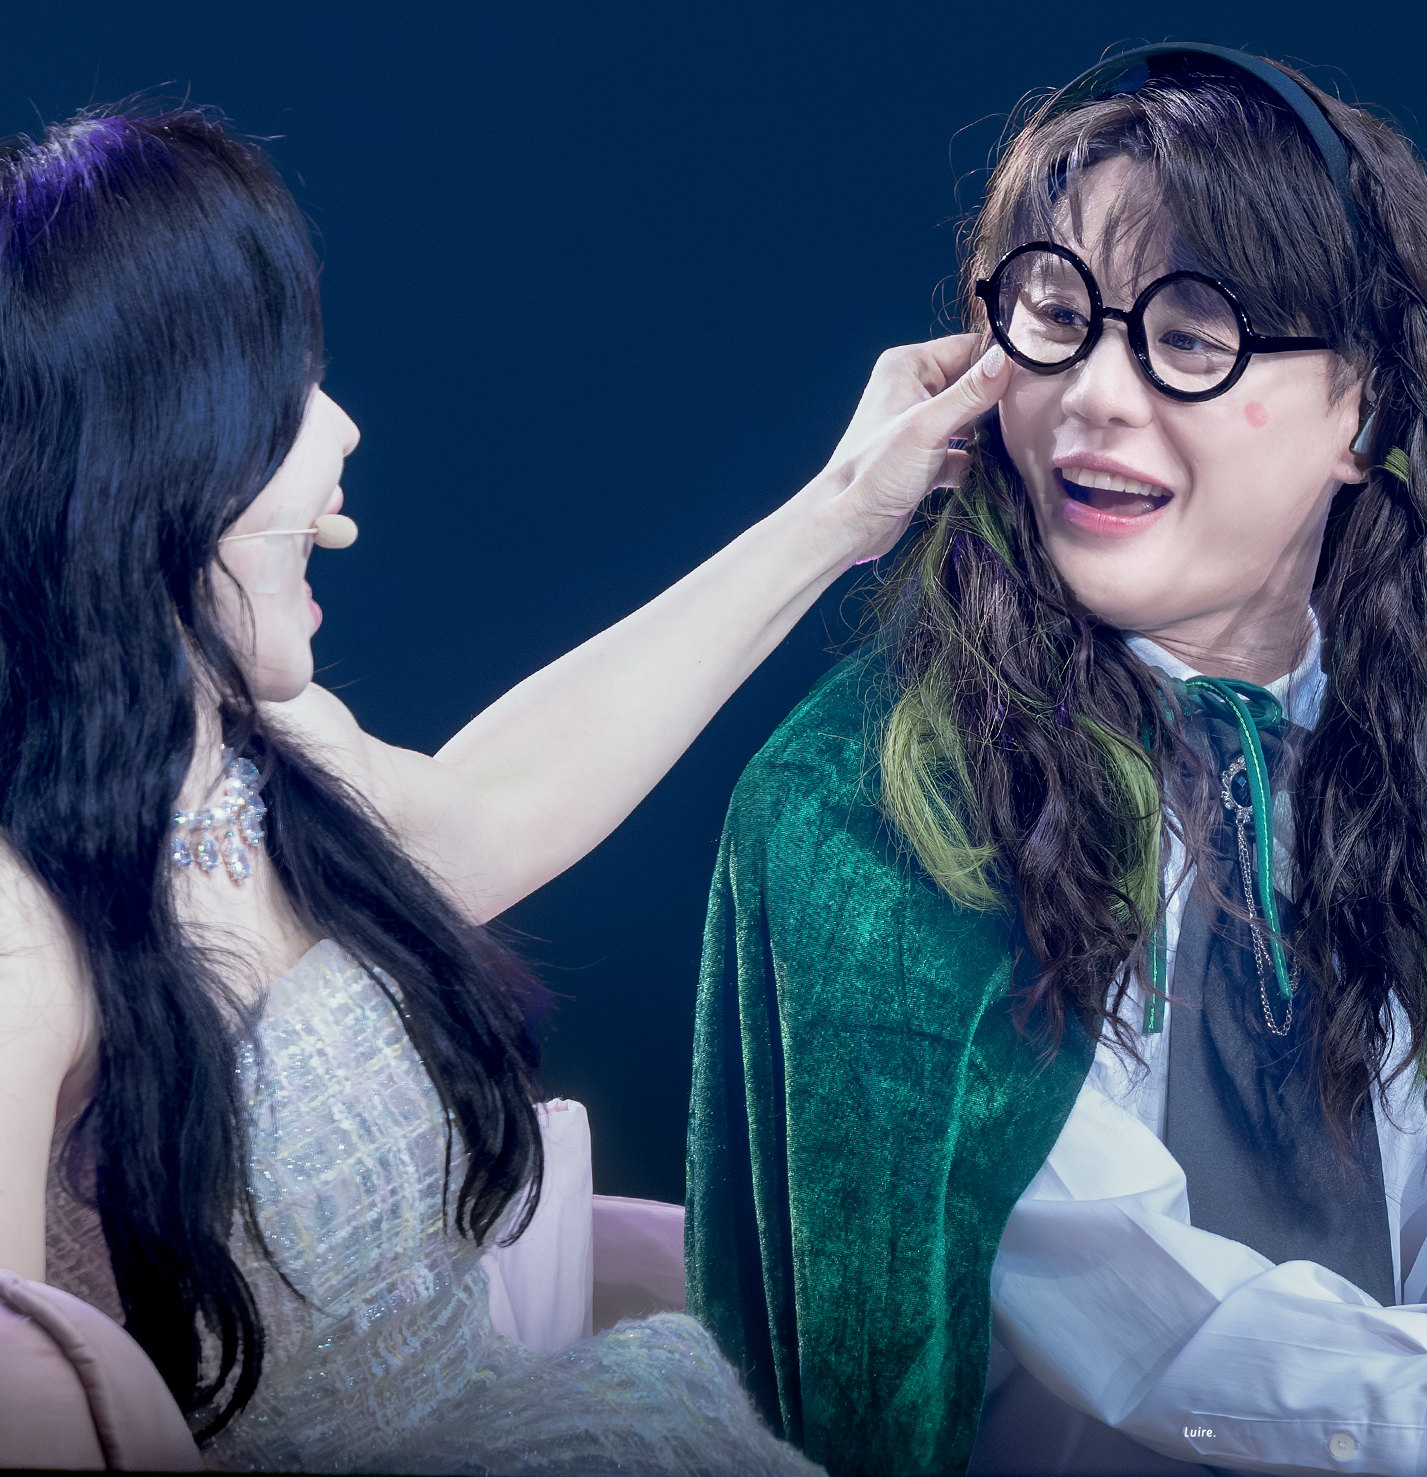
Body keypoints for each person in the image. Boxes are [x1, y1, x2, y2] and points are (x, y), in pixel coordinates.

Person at [689, 47, 1427, 1477]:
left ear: (1364, 413)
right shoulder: (874, 806)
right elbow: (1126, 1303)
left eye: (1191, 337)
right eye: (1057, 317)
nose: (1096, 396)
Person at [0, 107, 1010, 1472]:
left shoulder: (276, 751)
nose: (342, 427)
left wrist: (844, 509)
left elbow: (504, 802)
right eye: (286, 389)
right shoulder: (21, 932)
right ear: (145, 452)